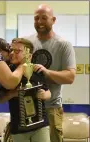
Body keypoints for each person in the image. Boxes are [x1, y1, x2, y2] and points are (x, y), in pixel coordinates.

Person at [24, 4, 76, 142]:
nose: (39, 22)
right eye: (36, 18)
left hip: (51, 108)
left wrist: (46, 72)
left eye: (44, 18)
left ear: (53, 20)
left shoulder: (63, 45)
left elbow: (70, 77)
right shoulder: (26, 43)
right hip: (27, 106)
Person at [0, 38, 51, 142]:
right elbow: (0, 99)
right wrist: (12, 94)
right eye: (11, 50)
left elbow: (48, 92)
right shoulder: (7, 72)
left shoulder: (36, 70)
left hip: (40, 125)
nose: (12, 53)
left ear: (29, 55)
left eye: (17, 51)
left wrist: (44, 95)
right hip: (18, 127)